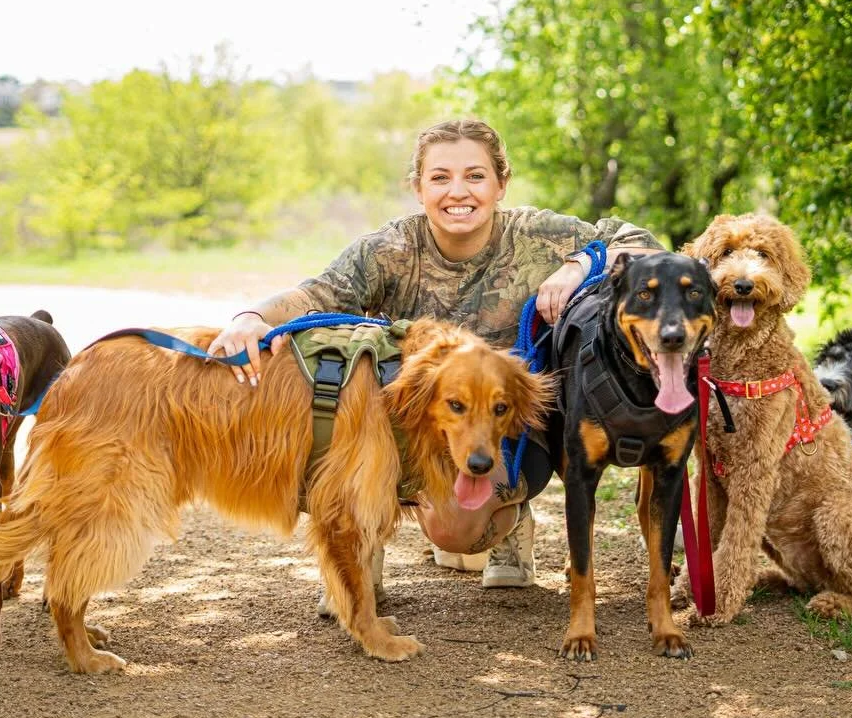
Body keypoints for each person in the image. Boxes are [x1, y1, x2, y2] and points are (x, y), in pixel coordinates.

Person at [208, 119, 661, 592]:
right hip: (415, 426)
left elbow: (646, 246)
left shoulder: (541, 236)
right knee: (333, 436)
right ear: (418, 187)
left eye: (475, 176)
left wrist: (580, 264)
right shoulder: (390, 249)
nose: (457, 191)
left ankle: (507, 522)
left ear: (501, 184)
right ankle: (363, 548)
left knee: (454, 529)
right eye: (440, 177)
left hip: (506, 432)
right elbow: (315, 295)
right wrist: (250, 317)